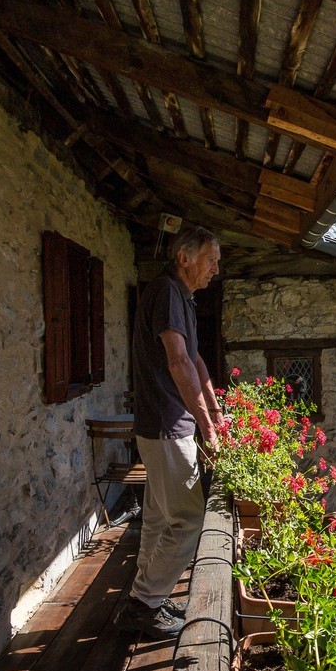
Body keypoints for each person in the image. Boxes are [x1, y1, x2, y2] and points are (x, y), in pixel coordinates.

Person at [118, 226, 223, 639]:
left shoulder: (182, 298)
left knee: (161, 518)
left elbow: (194, 358)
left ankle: (147, 597)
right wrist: (204, 424)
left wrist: (213, 411)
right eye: (211, 260)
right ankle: (144, 604)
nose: (216, 269)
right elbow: (178, 364)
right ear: (185, 258)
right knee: (190, 518)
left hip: (163, 423)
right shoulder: (166, 293)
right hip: (166, 424)